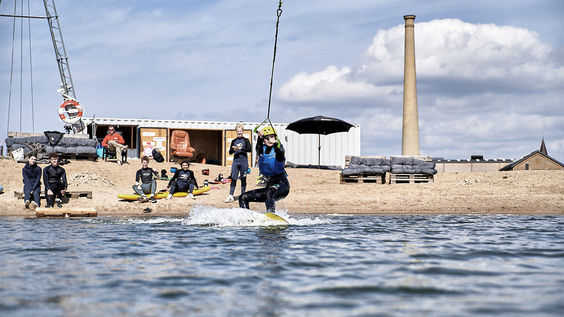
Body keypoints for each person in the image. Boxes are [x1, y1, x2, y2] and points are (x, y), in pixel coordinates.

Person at [239, 126, 290, 212]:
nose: (269, 140)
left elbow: (280, 150)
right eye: (267, 138)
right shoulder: (261, 150)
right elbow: (258, 144)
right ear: (263, 139)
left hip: (282, 185)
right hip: (270, 186)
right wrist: (259, 134)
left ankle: (271, 216)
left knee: (269, 194)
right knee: (243, 197)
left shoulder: (278, 150)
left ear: (275, 138)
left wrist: (277, 142)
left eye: (272, 137)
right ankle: (246, 217)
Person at [225, 124, 252, 202]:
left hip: (244, 162)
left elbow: (249, 149)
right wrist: (234, 150)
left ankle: (243, 195)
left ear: (243, 131)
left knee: (243, 178)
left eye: (240, 131)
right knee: (233, 178)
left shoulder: (246, 140)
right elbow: (230, 152)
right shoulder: (234, 141)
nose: (239, 132)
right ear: (236, 132)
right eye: (238, 131)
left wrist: (241, 148)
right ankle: (230, 195)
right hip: (236, 162)